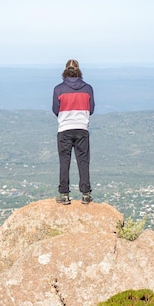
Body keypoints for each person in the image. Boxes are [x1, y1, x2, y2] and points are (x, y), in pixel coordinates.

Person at [52, 59, 95, 205]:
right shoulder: (88, 88)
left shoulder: (58, 89)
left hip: (64, 129)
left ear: (65, 71)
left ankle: (64, 194)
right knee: (83, 161)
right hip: (82, 128)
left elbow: (55, 109)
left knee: (64, 161)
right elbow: (92, 109)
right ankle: (86, 194)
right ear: (79, 70)